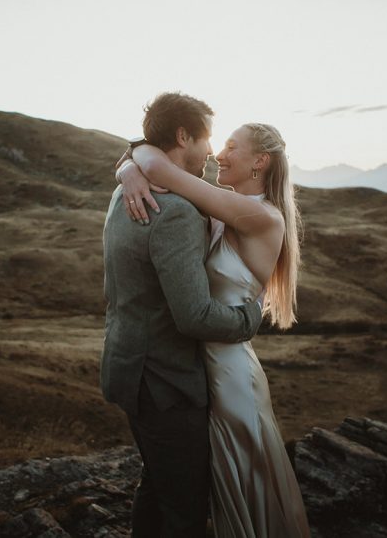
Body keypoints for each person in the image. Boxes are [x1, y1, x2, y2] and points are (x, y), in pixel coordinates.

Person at [117, 120, 312, 538]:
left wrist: (134, 164)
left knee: (242, 484)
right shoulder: (227, 205)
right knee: (193, 483)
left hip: (229, 374)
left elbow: (162, 168)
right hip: (199, 368)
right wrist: (128, 169)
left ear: (260, 161)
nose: (218, 156)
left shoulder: (258, 214)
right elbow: (151, 162)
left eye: (230, 147)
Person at [100, 92, 265, 538]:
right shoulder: (173, 212)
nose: (211, 152)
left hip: (129, 368)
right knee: (186, 506)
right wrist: (250, 318)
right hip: (164, 383)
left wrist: (130, 161)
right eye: (206, 139)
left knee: (158, 482)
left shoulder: (125, 190)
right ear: (182, 136)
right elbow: (193, 316)